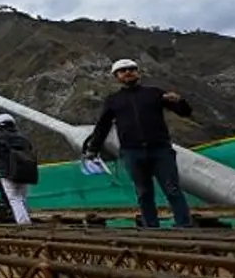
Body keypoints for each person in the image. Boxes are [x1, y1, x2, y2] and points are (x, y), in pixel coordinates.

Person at [83, 58, 194, 228]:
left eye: (131, 69)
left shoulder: (154, 93)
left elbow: (184, 113)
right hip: (132, 152)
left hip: (160, 149)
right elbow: (103, 126)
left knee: (172, 189)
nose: (128, 72)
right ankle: (151, 227)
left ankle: (185, 225)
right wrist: (93, 149)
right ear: (117, 77)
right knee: (143, 192)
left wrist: (180, 101)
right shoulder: (113, 100)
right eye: (123, 71)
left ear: (137, 72)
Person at [0, 114, 38, 225]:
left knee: (14, 198)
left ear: (0, 125)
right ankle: (26, 219)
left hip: (8, 173)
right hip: (26, 172)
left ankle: (24, 223)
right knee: (22, 198)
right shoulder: (24, 138)